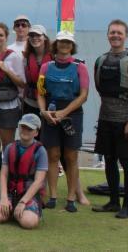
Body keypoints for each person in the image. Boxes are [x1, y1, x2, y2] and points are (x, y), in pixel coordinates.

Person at [91, 19, 128, 219]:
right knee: (109, 160)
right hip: (105, 118)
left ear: (126, 36)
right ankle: (113, 202)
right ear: (107, 35)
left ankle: (127, 206)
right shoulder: (101, 60)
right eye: (112, 32)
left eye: (119, 33)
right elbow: (99, 88)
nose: (115, 36)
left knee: (127, 162)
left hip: (125, 121)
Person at [37, 30, 89, 212]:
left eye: (68, 42)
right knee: (53, 155)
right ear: (56, 44)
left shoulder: (80, 67)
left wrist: (64, 112)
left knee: (71, 156)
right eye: (61, 42)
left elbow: (83, 96)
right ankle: (52, 196)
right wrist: (44, 112)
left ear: (72, 45)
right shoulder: (46, 67)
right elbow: (40, 93)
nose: (65, 45)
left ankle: (71, 198)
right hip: (51, 112)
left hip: (72, 113)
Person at [0, 113, 47, 229]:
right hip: (11, 191)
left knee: (29, 223)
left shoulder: (41, 151)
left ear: (36, 132)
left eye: (29, 129)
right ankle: (11, 209)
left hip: (28, 194)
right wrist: (4, 198)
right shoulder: (10, 148)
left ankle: (22, 210)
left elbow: (38, 181)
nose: (25, 131)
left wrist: (23, 202)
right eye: (23, 127)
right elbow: (4, 175)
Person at [22, 25, 51, 118]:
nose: (34, 38)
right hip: (30, 103)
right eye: (32, 35)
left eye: (38, 35)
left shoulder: (54, 57)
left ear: (45, 38)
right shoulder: (26, 58)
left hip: (49, 104)